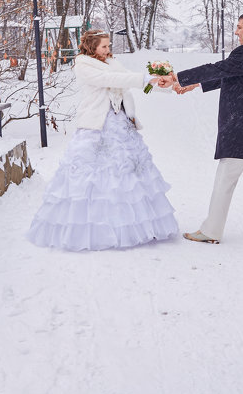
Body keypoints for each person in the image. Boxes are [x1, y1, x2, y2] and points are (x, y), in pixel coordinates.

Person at [27, 29, 179, 251]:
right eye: (104, 47)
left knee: (127, 174)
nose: (108, 50)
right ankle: (93, 229)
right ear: (91, 47)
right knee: (91, 177)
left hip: (120, 123)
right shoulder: (83, 64)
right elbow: (110, 79)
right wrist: (145, 78)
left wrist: (162, 84)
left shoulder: (112, 62)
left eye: (109, 46)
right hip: (96, 126)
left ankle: (130, 225)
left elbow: (125, 81)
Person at [158, 11, 243, 243]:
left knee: (225, 179)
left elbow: (219, 68)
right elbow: (232, 75)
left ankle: (211, 230)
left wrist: (179, 78)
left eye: (240, 27)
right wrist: (196, 85)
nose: (236, 31)